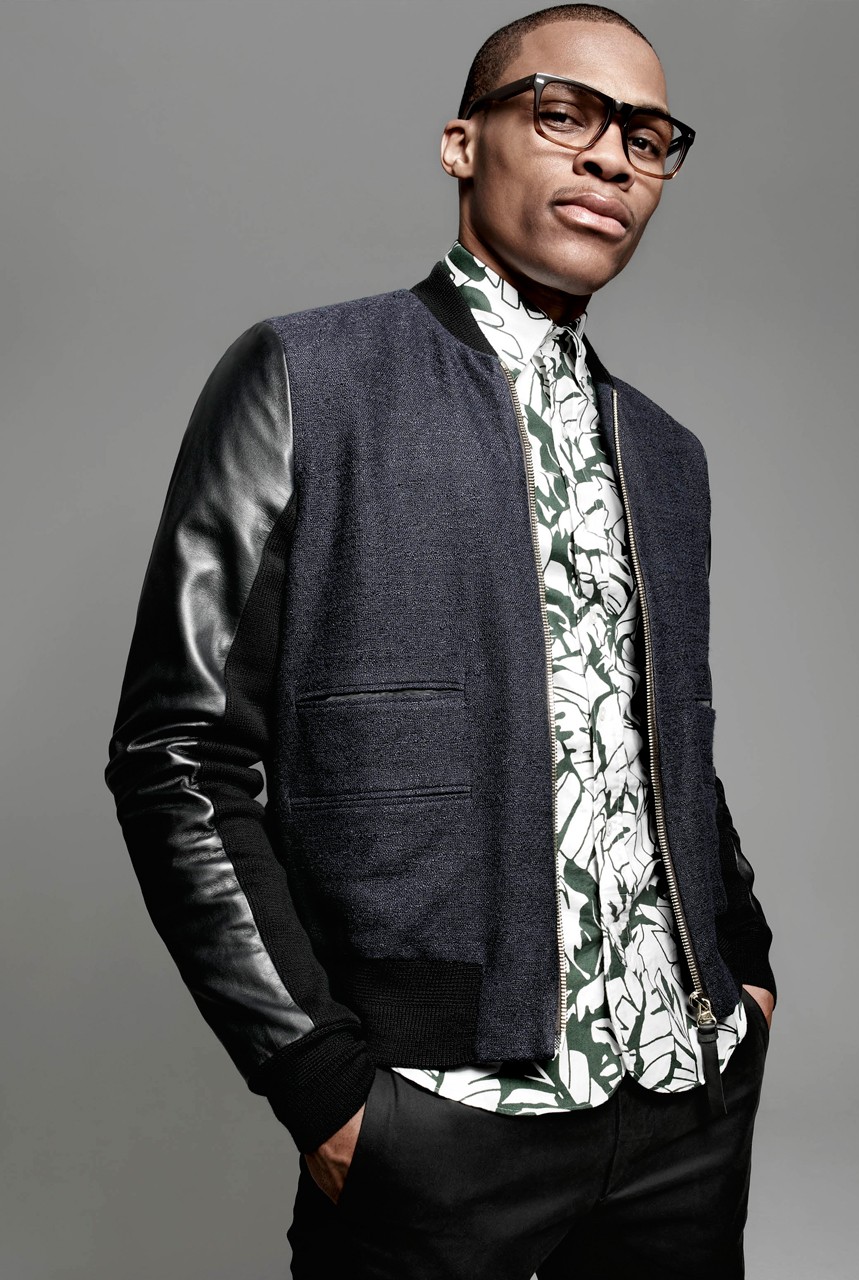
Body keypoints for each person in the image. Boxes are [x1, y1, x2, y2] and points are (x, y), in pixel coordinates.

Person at [104, 5, 777, 1277]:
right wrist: (316, 1077)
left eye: (645, 138)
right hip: (438, 1115)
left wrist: (742, 964)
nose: (609, 157)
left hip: (683, 1099)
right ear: (462, 144)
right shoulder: (306, 377)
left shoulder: (664, 453)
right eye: (563, 114)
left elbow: (664, 744)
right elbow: (177, 755)